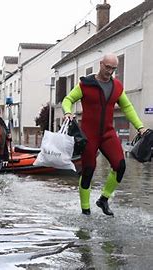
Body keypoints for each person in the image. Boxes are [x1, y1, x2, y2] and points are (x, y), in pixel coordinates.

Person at [62, 53, 146, 216]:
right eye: (107, 67)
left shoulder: (117, 87)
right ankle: (85, 210)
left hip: (107, 134)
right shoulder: (85, 84)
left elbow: (127, 108)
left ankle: (103, 199)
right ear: (100, 64)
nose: (110, 71)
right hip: (88, 135)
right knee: (88, 170)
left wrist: (140, 127)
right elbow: (68, 99)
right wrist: (67, 112)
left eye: (113, 68)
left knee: (120, 166)